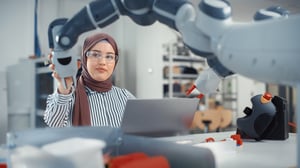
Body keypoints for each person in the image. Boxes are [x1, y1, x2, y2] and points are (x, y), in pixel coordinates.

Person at [44, 33, 135, 127]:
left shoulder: (126, 97)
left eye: (109, 57)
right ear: (84, 58)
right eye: (95, 54)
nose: (102, 62)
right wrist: (64, 86)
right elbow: (54, 123)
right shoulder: (69, 96)